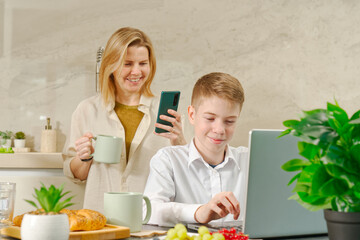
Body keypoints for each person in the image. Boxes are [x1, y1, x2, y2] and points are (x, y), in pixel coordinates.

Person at [63, 27, 186, 213]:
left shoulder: (167, 112)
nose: (136, 71)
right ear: (111, 66)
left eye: (143, 63)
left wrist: (180, 143)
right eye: (127, 64)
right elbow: (76, 175)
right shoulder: (87, 110)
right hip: (100, 218)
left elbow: (186, 177)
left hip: (150, 218)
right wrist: (84, 157)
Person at [143, 72, 248, 226]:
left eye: (230, 121)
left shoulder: (249, 160)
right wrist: (199, 212)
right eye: (210, 119)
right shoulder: (168, 159)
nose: (219, 129)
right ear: (192, 115)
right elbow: (148, 210)